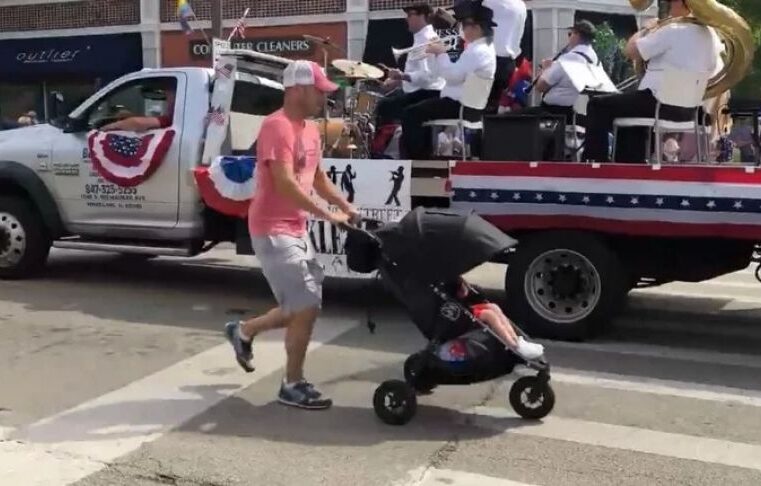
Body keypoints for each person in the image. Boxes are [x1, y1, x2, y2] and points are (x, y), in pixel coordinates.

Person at [224, 60, 359, 410]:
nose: (323, 98)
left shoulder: (311, 130)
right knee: (306, 305)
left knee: (298, 305)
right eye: (319, 90)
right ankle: (292, 384)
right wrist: (328, 215)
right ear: (297, 89)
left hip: (296, 228)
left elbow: (316, 178)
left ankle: (243, 331)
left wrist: (345, 205)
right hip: (271, 229)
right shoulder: (276, 127)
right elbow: (284, 183)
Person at [581, 0, 720, 163]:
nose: (669, 6)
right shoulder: (712, 36)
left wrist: (647, 28)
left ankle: (594, 162)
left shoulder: (672, 30)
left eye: (672, 2)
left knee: (597, 105)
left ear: (684, 3)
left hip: (659, 104)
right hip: (691, 111)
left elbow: (630, 51)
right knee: (630, 108)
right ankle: (629, 163)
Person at [401, 1, 497, 160]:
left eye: (465, 25)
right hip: (467, 104)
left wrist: (441, 53)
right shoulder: (484, 47)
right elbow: (460, 35)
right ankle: (423, 155)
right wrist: (450, 21)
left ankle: (418, 159)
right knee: (417, 110)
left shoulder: (477, 51)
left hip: (458, 105)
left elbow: (452, 76)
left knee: (410, 114)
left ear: (476, 28)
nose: (463, 29)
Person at [375, 2, 446, 127]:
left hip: (428, 92)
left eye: (410, 14)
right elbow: (419, 75)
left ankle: (401, 142)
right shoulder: (420, 38)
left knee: (384, 106)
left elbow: (426, 76)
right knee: (384, 103)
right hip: (421, 90)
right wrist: (399, 81)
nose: (406, 18)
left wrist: (402, 76)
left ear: (422, 16)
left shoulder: (427, 39)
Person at [447, 276, 544, 361]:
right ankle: (513, 345)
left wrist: (467, 286)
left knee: (493, 307)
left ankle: (516, 339)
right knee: (489, 315)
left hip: (465, 306)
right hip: (456, 311)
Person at [530, 20, 600, 124]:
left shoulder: (568, 59)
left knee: (511, 118)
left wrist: (545, 69)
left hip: (550, 112)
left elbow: (540, 87)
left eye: (570, 34)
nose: (569, 38)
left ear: (577, 35)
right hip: (569, 112)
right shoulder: (594, 59)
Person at [482, 0, 527, 112]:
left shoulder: (490, 3)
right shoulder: (521, 5)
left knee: (479, 105)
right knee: (493, 106)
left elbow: (471, 30)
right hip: (508, 62)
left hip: (488, 59)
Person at [101, 81, 175, 132]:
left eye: (168, 93)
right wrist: (131, 116)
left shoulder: (174, 117)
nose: (167, 97)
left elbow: (138, 123)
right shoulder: (177, 117)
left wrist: (110, 126)